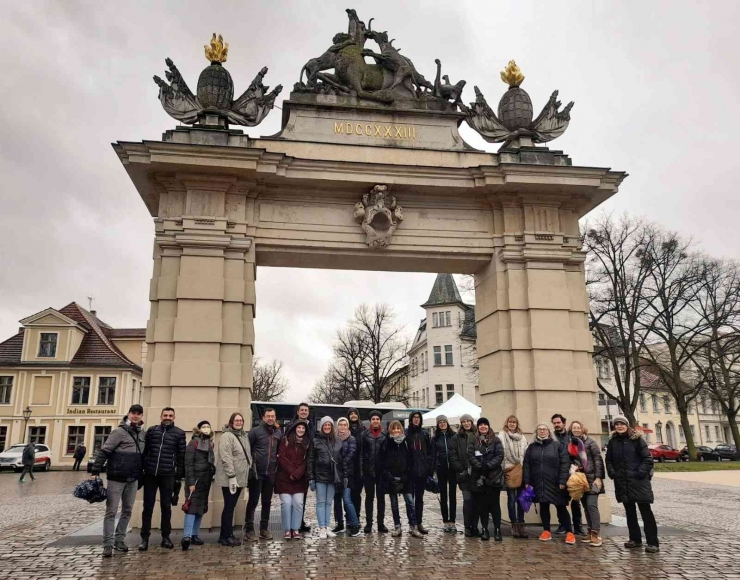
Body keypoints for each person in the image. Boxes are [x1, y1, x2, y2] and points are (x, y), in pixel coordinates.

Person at [90, 404, 146, 558]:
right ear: (128, 414)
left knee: (127, 511)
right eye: (133, 413)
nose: (135, 416)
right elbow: (105, 451)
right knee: (111, 512)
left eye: (139, 414)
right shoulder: (118, 432)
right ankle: (107, 544)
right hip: (116, 478)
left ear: (142, 416)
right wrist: (95, 470)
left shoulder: (142, 434)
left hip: (133, 478)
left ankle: (119, 540)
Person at [606, 416, 659, 553]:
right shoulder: (613, 442)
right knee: (630, 512)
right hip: (622, 481)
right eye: (617, 424)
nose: (619, 426)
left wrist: (639, 473)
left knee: (645, 511)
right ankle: (635, 539)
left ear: (627, 425)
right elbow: (609, 460)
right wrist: (613, 473)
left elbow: (647, 459)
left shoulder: (637, 440)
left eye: (622, 424)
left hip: (638, 481)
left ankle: (652, 542)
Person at [139, 407, 186, 551]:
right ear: (161, 417)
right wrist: (142, 469)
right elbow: (145, 452)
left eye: (170, 416)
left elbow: (181, 457)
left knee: (166, 507)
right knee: (148, 507)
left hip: (168, 475)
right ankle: (144, 538)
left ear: (174, 417)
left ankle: (166, 537)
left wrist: (178, 478)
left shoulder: (179, 433)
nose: (167, 417)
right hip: (150, 474)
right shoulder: (152, 431)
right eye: (165, 415)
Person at [523, 423, 575, 545]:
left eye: (544, 429)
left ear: (548, 431)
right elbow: (526, 465)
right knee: (544, 507)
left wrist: (563, 480)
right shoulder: (531, 447)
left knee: (561, 507)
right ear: (536, 432)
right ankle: (546, 530)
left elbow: (564, 463)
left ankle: (569, 532)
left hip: (556, 483)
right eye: (539, 429)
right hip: (538, 482)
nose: (542, 431)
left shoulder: (557, 446)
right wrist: (527, 481)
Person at [215, 412, 252, 547]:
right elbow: (226, 457)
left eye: (241, 420)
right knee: (229, 507)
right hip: (230, 479)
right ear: (231, 422)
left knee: (231, 506)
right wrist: (231, 476)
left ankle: (226, 534)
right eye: (236, 420)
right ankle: (226, 536)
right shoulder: (227, 436)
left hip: (240, 478)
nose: (239, 422)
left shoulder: (243, 435)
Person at [379, 420, 422, 538]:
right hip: (391, 477)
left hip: (406, 477)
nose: (396, 430)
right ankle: (397, 526)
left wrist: (406, 475)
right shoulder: (386, 442)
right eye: (394, 428)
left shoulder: (407, 442)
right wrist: (389, 475)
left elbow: (411, 460)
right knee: (394, 504)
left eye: (398, 428)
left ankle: (413, 526)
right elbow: (382, 462)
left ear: (402, 430)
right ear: (390, 430)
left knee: (410, 502)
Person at [245, 407, 282, 542]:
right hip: (256, 473)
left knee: (267, 502)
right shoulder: (255, 432)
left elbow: (279, 451)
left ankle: (264, 529)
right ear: (263, 417)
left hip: (271, 473)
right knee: (253, 501)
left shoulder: (278, 432)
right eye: (268, 416)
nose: (270, 418)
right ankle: (249, 530)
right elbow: (247, 450)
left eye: (273, 416)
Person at [567, 421, 605, 547]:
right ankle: (590, 531)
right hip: (581, 480)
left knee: (591, 505)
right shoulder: (572, 444)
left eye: (578, 427)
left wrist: (599, 478)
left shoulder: (590, 442)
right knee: (586, 507)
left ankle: (596, 534)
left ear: (583, 429)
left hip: (593, 479)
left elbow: (598, 460)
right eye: (574, 428)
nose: (576, 429)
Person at [182, 420, 216, 550]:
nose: (206, 428)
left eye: (208, 426)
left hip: (205, 480)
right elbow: (188, 463)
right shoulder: (193, 442)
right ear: (199, 428)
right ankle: (186, 536)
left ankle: (195, 534)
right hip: (195, 480)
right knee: (191, 507)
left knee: (200, 508)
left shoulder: (210, 443)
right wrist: (190, 482)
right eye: (204, 426)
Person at [469, 417, 504, 541]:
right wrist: (479, 466)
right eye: (481, 425)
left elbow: (499, 455)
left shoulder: (495, 439)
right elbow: (471, 455)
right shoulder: (474, 440)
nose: (483, 427)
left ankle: (497, 530)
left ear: (488, 426)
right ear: (478, 427)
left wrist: (488, 466)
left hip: (494, 477)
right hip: (479, 477)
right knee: (482, 505)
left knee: (495, 505)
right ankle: (484, 529)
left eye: (485, 424)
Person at [275, 419, 310, 540]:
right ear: (294, 429)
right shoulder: (285, 441)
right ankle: (287, 529)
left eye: (303, 428)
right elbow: (281, 457)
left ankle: (295, 529)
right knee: (286, 503)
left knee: (298, 503)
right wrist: (292, 472)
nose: (301, 430)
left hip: (299, 480)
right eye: (299, 428)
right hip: (284, 478)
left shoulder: (307, 443)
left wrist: (297, 474)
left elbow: (306, 462)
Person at [308, 417, 343, 538]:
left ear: (332, 426)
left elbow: (340, 459)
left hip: (333, 476)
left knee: (329, 503)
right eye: (325, 425)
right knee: (321, 502)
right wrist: (311, 477)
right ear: (321, 427)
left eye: (329, 425)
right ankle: (321, 527)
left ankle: (327, 526)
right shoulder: (316, 441)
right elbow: (311, 460)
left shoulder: (338, 441)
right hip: (320, 475)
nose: (327, 427)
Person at [551, 413, 584, 536]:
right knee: (559, 501)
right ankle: (563, 525)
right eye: (554, 423)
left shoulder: (571, 437)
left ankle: (578, 526)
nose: (556, 425)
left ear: (564, 423)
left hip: (572, 472)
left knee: (575, 501)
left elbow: (579, 454)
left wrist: (575, 466)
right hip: (557, 473)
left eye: (558, 422)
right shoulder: (552, 437)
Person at [499, 415, 529, 539]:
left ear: (517, 424)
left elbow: (526, 452)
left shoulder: (522, 437)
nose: (512, 424)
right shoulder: (502, 435)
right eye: (510, 422)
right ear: (507, 423)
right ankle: (514, 524)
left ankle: (521, 524)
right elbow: (501, 452)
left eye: (514, 422)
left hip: (521, 469)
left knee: (522, 499)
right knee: (511, 499)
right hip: (509, 469)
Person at [406, 410, 434, 535]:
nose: (416, 419)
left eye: (418, 417)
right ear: (411, 419)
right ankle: (412, 524)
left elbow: (430, 453)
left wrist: (429, 468)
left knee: (419, 499)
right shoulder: (407, 434)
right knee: (410, 500)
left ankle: (419, 522)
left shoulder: (425, 434)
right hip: (410, 472)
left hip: (422, 472)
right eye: (414, 417)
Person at [449, 413, 477, 537]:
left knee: (476, 501)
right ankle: (467, 526)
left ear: (471, 422)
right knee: (467, 500)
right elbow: (453, 455)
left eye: (468, 421)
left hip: (476, 474)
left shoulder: (477, 436)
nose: (466, 423)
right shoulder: (456, 437)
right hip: (464, 474)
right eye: (464, 421)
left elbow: (482, 451)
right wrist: (461, 469)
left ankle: (475, 526)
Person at [360, 410, 387, 533]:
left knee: (381, 499)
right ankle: (369, 523)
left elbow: (388, 454)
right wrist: (362, 470)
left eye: (377, 419)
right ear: (370, 421)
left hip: (381, 473)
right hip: (368, 471)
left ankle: (381, 523)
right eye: (373, 419)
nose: (375, 421)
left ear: (380, 420)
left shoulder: (385, 434)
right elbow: (361, 454)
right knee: (369, 498)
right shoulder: (364, 434)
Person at [433, 415, 457, 533]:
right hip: (441, 469)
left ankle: (452, 521)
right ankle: (445, 522)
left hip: (452, 469)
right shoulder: (435, 438)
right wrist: (434, 469)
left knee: (453, 496)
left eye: (444, 421)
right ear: (437, 424)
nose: (442, 423)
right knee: (443, 496)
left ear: (447, 422)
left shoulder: (453, 436)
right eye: (440, 422)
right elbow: (433, 454)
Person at [294, 402, 314, 533]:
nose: (304, 412)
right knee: (294, 497)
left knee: (303, 497)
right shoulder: (293, 425)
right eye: (301, 410)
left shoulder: (311, 425)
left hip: (307, 465)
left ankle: (300, 521)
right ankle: (293, 523)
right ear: (298, 412)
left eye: (306, 410)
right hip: (295, 466)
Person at [346, 408, 365, 523]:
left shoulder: (363, 430)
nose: (353, 415)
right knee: (348, 495)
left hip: (359, 467)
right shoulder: (345, 430)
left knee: (357, 494)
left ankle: (356, 516)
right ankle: (348, 517)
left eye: (355, 413)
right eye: (351, 414)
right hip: (348, 467)